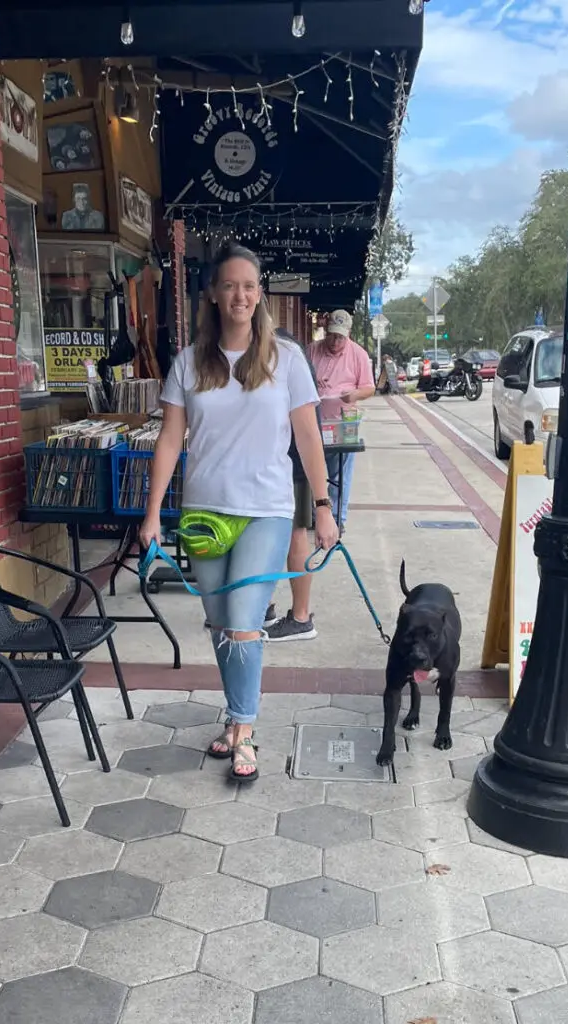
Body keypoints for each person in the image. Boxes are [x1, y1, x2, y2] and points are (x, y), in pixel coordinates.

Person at [139, 242, 338, 781]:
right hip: (203, 510)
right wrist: (153, 513)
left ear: (260, 296)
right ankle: (234, 718)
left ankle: (245, 732)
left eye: (249, 286)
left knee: (246, 620)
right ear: (213, 294)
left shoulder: (286, 359)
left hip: (267, 510)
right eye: (230, 285)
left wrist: (323, 506)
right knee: (221, 621)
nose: (241, 295)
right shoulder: (189, 361)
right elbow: (169, 440)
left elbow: (308, 437)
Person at [266, 327, 321, 642]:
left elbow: (305, 426)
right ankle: (262, 608)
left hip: (292, 461)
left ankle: (301, 616)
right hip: (276, 461)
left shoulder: (286, 354)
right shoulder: (279, 348)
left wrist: (324, 507)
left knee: (294, 534)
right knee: (272, 534)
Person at [308, 309, 375, 529]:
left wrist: (353, 395)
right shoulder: (312, 351)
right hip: (315, 419)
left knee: (341, 472)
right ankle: (314, 513)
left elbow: (369, 387)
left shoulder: (358, 354)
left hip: (343, 420)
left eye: (339, 337)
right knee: (313, 469)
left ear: (347, 334)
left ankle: (338, 518)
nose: (335, 341)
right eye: (331, 335)